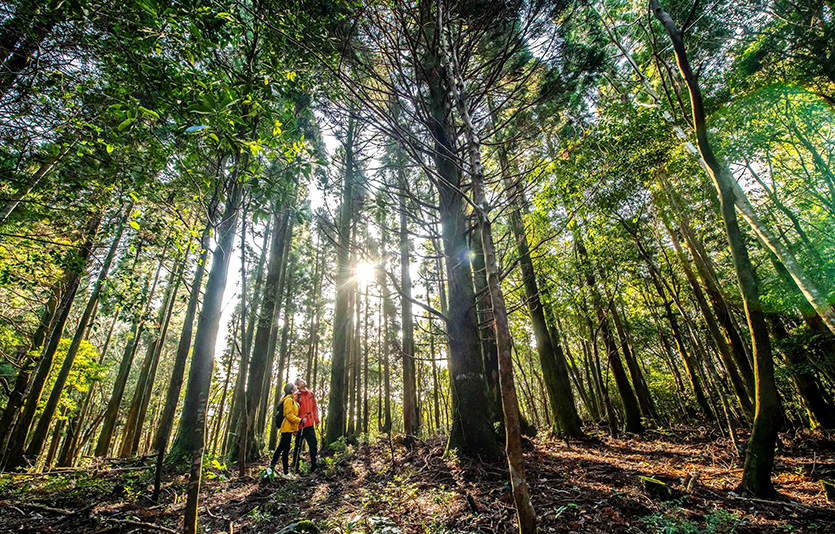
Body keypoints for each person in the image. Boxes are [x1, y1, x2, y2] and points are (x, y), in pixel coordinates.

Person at [270, 383, 303, 480]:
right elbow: (289, 416)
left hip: (289, 428)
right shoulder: (288, 400)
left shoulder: (291, 400)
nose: (296, 388)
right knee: (285, 450)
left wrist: (295, 429)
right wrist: (300, 420)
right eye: (294, 387)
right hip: (286, 428)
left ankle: (271, 468)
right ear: (291, 390)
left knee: (280, 448)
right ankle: (285, 472)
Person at [292, 378, 319, 472]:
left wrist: (316, 420)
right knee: (298, 446)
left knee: (313, 444)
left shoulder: (311, 394)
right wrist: (294, 427)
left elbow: (314, 408)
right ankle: (295, 466)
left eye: (303, 381)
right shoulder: (296, 396)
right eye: (300, 382)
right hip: (300, 424)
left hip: (310, 423)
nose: (303, 382)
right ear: (298, 386)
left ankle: (314, 465)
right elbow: (294, 411)